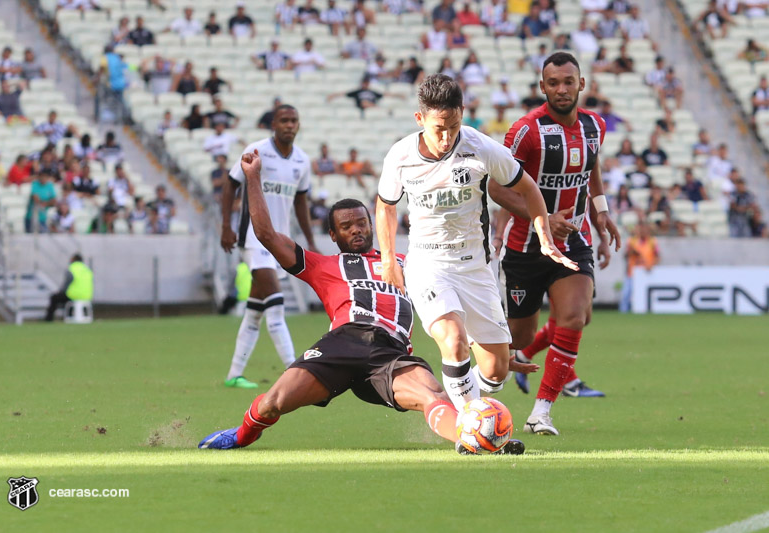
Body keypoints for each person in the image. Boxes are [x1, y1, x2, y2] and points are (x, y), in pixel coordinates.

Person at [198, 152, 525, 456]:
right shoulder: (322, 266)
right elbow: (267, 234)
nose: (356, 230)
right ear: (333, 235)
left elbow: (449, 304)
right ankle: (241, 435)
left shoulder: (409, 263)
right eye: (346, 226)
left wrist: (488, 348)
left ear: (373, 225)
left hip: (391, 350)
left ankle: (474, 439)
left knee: (433, 395)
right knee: (272, 403)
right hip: (341, 344)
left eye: (361, 223)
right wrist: (253, 178)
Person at [376, 74, 568, 412]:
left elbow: (529, 190)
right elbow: (385, 207)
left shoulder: (481, 147)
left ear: (462, 112)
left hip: (476, 266)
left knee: (496, 371)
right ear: (420, 120)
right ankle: (471, 426)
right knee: (453, 341)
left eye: (453, 125)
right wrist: (390, 260)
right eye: (439, 128)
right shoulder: (401, 156)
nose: (447, 136)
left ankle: (449, 401)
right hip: (428, 265)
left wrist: (544, 235)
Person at [489, 52, 621, 435]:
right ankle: (475, 375)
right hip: (526, 246)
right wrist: (543, 218)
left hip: (574, 239)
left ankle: (541, 412)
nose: (561, 89)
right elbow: (497, 188)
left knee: (576, 317)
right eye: (553, 83)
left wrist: (600, 212)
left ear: (582, 84)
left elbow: (591, 167)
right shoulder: (526, 131)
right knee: (519, 339)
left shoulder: (595, 125)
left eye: (568, 81)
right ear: (542, 87)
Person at [219, 105, 319, 389]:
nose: (289, 125)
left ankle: (233, 375)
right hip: (253, 236)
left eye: (294, 121)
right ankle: (295, 372)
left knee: (255, 310)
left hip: (280, 241)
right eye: (284, 120)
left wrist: (310, 241)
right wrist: (225, 226)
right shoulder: (257, 150)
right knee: (276, 305)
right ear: (273, 124)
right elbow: (229, 185)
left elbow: (300, 201)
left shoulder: (302, 160)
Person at [619, 221, 659, 312]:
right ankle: (622, 314)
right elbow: (625, 255)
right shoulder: (632, 241)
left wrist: (651, 265)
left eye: (645, 229)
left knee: (642, 295)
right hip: (632, 272)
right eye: (641, 229)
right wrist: (632, 252)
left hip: (647, 272)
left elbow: (657, 256)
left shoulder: (653, 241)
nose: (643, 231)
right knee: (626, 294)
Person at [45, 254, 94, 321]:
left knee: (54, 297)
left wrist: (60, 292)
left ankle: (48, 319)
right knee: (69, 300)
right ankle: (71, 316)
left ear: (73, 260)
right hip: (87, 296)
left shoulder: (72, 268)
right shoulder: (87, 270)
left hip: (74, 295)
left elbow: (66, 284)